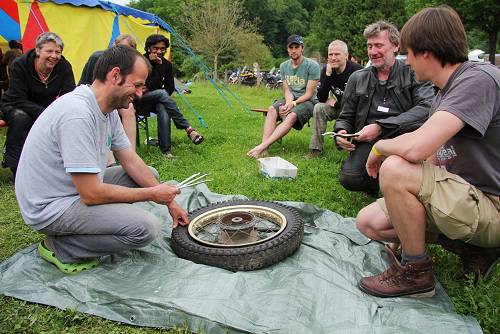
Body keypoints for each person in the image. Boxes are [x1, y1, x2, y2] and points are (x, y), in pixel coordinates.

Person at [356, 5, 500, 298]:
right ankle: (476, 248)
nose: (406, 62)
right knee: (369, 222)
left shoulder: (478, 79)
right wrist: (402, 207)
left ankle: (416, 274)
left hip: (492, 205)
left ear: (426, 52)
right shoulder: (443, 92)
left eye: (407, 53)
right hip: (467, 196)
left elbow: (417, 146)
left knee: (394, 167)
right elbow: (431, 156)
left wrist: (381, 147)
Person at [15, 45, 189, 274]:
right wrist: (152, 194)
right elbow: (91, 194)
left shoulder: (107, 108)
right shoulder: (77, 114)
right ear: (115, 75)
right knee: (145, 228)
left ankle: (97, 223)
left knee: (150, 175)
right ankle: (61, 246)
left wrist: (169, 202)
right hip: (51, 206)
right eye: (136, 86)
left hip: (73, 189)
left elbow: (130, 160)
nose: (139, 94)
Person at [333, 21, 434, 194]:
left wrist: (381, 127)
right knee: (349, 178)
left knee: (403, 173)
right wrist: (341, 132)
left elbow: (427, 107)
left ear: (396, 46)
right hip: (369, 142)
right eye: (369, 46)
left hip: (405, 139)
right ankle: (379, 184)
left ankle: (396, 183)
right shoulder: (357, 78)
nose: (373, 52)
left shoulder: (414, 73)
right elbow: (345, 116)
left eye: (379, 45)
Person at [1, 32, 75, 180]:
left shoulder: (64, 66)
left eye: (58, 52)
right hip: (15, 104)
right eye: (49, 51)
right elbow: (18, 98)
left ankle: (61, 165)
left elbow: (69, 94)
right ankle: (15, 166)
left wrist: (59, 112)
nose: (54, 56)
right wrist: (47, 112)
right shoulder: (20, 64)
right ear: (38, 50)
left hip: (45, 106)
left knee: (69, 118)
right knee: (21, 118)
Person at [247, 34, 320, 158]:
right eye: (291, 47)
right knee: (271, 110)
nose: (293, 50)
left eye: (296, 47)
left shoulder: (312, 66)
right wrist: (288, 103)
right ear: (287, 49)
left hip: (308, 101)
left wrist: (293, 104)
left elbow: (309, 93)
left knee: (291, 116)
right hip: (290, 99)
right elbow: (287, 90)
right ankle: (265, 148)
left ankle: (261, 147)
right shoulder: (284, 66)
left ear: (302, 48)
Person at [134, 34, 204, 159]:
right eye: (156, 48)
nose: (159, 51)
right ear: (149, 48)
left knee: (163, 107)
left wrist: (158, 69)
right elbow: (141, 85)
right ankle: (188, 128)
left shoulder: (166, 64)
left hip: (154, 100)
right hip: (137, 100)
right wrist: (155, 67)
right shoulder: (141, 61)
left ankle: (166, 151)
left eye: (163, 48)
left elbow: (170, 87)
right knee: (161, 93)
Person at [80, 34, 139, 158]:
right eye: (119, 48)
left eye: (127, 51)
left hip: (116, 96)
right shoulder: (98, 58)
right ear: (113, 47)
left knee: (129, 110)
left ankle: (130, 153)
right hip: (93, 98)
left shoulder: (130, 65)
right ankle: (109, 160)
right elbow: (88, 84)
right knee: (106, 110)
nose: (122, 53)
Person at [306, 40, 363, 158]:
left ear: (346, 56)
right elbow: (321, 98)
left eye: (337, 54)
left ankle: (356, 150)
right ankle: (316, 149)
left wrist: (337, 103)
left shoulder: (358, 72)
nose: (333, 58)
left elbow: (358, 101)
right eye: (330, 55)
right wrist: (327, 75)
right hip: (341, 109)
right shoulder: (327, 70)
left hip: (357, 111)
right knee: (319, 107)